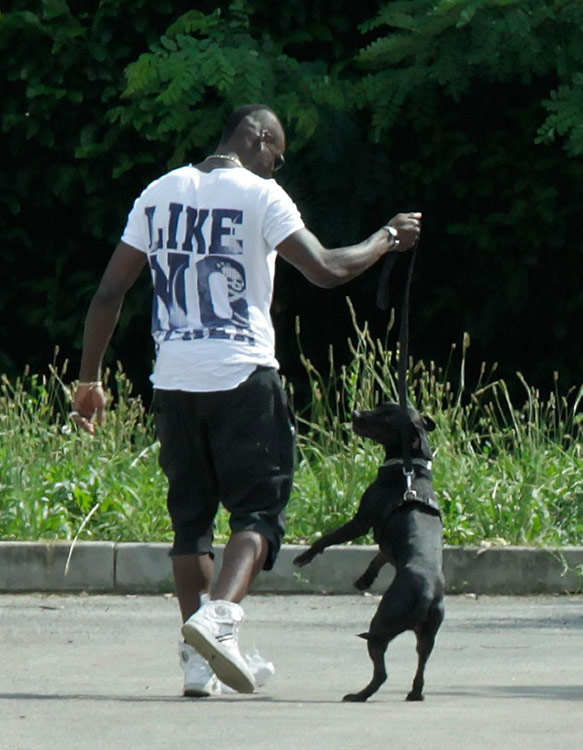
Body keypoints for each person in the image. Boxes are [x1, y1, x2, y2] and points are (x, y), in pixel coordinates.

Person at [71, 103, 421, 697]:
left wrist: (89, 380)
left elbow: (110, 293)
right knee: (259, 514)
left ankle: (197, 660)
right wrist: (386, 238)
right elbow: (329, 270)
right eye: (277, 155)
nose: (277, 167)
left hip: (175, 381)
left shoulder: (157, 194)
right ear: (257, 137)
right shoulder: (262, 196)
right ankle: (220, 619)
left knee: (191, 523)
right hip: (242, 376)